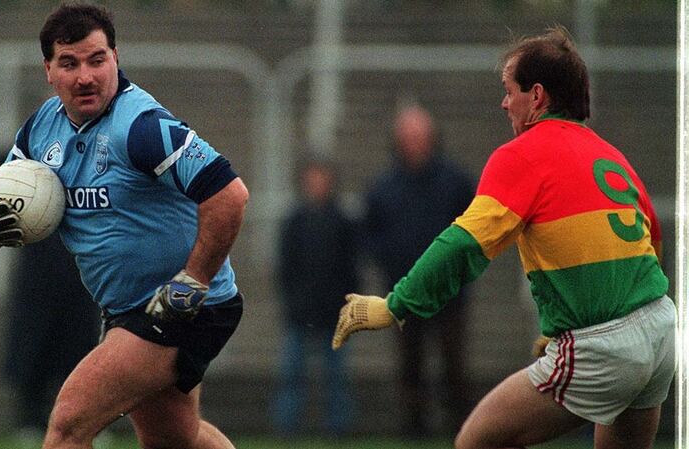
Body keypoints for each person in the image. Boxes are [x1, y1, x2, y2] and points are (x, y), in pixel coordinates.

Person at [332, 26, 675, 449]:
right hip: (660, 331)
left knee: (476, 440)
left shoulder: (522, 154)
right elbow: (651, 243)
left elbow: (463, 244)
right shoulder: (610, 155)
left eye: (509, 90)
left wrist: (394, 306)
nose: (503, 102)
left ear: (537, 96)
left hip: (604, 346)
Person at [0, 3, 249, 449]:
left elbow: (230, 196)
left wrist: (194, 280)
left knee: (69, 425)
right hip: (127, 310)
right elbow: (1, 198)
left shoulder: (142, 127)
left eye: (97, 59)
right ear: (48, 70)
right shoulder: (40, 129)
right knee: (176, 439)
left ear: (116, 57)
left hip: (181, 307)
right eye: (69, 63)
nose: (85, 76)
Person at [363, 104, 475, 436]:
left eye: (419, 136)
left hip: (449, 292)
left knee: (454, 365)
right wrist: (391, 261)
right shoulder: (383, 187)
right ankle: (414, 428)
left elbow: (475, 230)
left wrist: (457, 271)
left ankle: (465, 429)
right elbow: (369, 235)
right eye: (408, 136)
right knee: (409, 364)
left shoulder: (455, 181)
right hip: (405, 291)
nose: (414, 143)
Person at [272, 158, 357, 436]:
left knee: (336, 377)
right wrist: (294, 302)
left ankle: (338, 427)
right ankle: (287, 427)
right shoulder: (294, 222)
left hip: (334, 311)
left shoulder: (342, 221)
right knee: (292, 375)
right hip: (301, 312)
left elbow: (350, 266)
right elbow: (285, 268)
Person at [1, 231, 100, 443]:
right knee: (32, 346)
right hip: (38, 278)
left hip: (79, 275)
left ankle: (86, 420)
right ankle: (31, 419)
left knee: (80, 346)